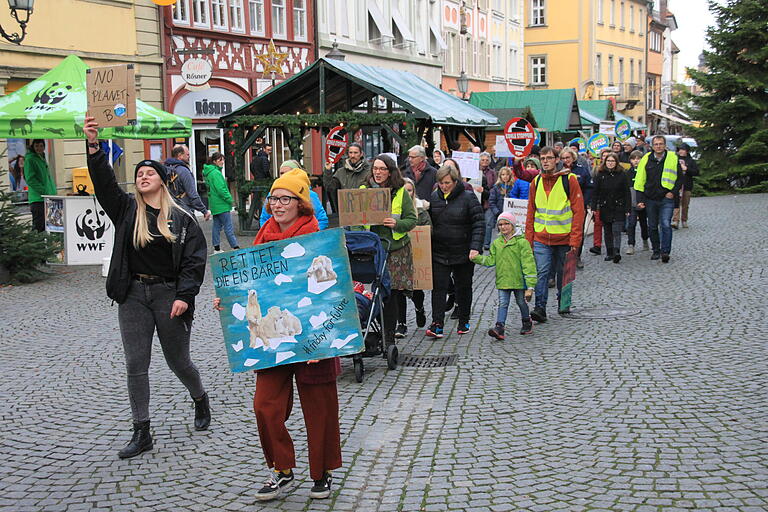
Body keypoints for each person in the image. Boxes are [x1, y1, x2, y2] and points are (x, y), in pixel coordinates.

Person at [83, 117, 210, 459]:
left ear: (162, 182)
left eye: (149, 172)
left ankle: (200, 397)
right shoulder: (126, 210)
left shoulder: (182, 218)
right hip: (134, 296)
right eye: (139, 172)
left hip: (170, 296)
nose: (142, 175)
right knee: (135, 363)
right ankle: (142, 431)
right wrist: (94, 146)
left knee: (178, 362)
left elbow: (194, 261)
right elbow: (104, 184)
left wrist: (185, 296)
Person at [215, 169, 341, 501]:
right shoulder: (260, 241)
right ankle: (282, 469)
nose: (279, 204)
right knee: (265, 405)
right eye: (274, 198)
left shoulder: (318, 239)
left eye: (287, 198)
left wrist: (324, 337)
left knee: (320, 408)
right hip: (273, 342)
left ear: (302, 204)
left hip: (313, 339)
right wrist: (227, 301)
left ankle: (322, 472)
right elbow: (247, 290)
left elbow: (331, 291)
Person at [525, 146, 585, 321]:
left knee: (563, 272)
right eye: (542, 158)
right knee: (542, 272)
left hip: (564, 236)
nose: (545, 161)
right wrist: (529, 239)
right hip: (541, 237)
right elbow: (531, 212)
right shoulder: (535, 182)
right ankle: (540, 308)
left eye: (549, 158)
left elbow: (578, 212)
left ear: (557, 159)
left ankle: (563, 302)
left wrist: (575, 239)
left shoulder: (570, 180)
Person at [364, 156, 418, 341]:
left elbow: (412, 220)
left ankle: (389, 336)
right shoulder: (363, 191)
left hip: (395, 249)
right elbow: (353, 220)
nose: (377, 172)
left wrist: (396, 223)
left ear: (390, 171)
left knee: (392, 293)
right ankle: (376, 330)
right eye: (375, 169)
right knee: (375, 291)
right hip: (371, 249)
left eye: (382, 169)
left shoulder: (401, 192)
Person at [427, 165, 484, 338]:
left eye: (447, 183)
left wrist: (475, 247)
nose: (443, 186)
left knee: (463, 287)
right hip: (439, 251)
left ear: (454, 181)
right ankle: (437, 323)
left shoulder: (468, 198)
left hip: (463, 251)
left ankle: (464, 319)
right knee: (438, 288)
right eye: (441, 183)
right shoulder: (434, 198)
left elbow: (479, 223)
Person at [471, 212, 537, 339]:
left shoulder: (522, 243)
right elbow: (491, 261)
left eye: (506, 223)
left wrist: (530, 286)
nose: (503, 227)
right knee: (503, 303)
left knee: (521, 302)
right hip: (503, 281)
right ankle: (499, 327)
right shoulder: (497, 243)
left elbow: (529, 264)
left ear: (512, 225)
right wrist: (477, 258)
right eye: (500, 224)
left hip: (518, 281)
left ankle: (526, 321)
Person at [635, 135, 683, 263]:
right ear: (652, 146)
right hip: (650, 198)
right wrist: (640, 199)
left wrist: (672, 192)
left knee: (666, 224)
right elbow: (640, 180)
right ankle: (656, 250)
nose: (658, 146)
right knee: (652, 226)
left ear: (665, 145)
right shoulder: (646, 159)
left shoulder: (672, 158)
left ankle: (665, 251)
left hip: (666, 198)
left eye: (661, 144)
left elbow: (679, 178)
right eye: (656, 144)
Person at [395, 178, 430, 334]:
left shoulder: (421, 211)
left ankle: (419, 308)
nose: (407, 193)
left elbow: (429, 230)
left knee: (416, 290)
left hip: (416, 255)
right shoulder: (395, 208)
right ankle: (401, 324)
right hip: (399, 254)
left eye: (409, 190)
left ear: (413, 191)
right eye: (404, 190)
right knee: (398, 290)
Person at [262, 160, 328, 229]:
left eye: (285, 199)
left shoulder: (310, 195)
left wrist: (310, 235)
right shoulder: (271, 194)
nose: (284, 176)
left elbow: (322, 219)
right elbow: (264, 219)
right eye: (281, 173)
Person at [591, 152, 631, 263]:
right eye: (608, 161)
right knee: (607, 230)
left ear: (616, 162)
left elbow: (627, 192)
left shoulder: (622, 174)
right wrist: (594, 206)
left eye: (612, 161)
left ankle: (616, 251)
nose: (610, 163)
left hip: (618, 205)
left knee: (617, 230)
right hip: (605, 206)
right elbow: (595, 192)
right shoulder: (600, 174)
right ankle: (609, 252)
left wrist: (628, 208)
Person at [561, 148, 593, 268]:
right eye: (563, 158)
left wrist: (583, 203)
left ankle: (577, 256)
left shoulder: (582, 170)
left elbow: (589, 187)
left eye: (568, 157)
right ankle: (564, 256)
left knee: (578, 232)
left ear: (573, 158)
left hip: (578, 207)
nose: (566, 160)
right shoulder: (559, 170)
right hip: (562, 208)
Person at [203, 152, 240, 253]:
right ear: (214, 161)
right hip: (222, 204)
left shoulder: (209, 172)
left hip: (215, 205)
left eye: (223, 160)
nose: (222, 162)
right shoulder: (216, 173)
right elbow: (221, 189)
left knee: (216, 226)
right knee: (228, 227)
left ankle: (217, 248)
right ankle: (235, 247)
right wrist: (230, 199)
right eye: (220, 160)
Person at [164, 145, 211, 220]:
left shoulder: (166, 169)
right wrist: (204, 211)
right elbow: (192, 194)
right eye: (187, 154)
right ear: (180, 156)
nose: (189, 157)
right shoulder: (183, 170)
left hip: (170, 208)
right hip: (185, 209)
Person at [322, 142, 370, 213]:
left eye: (355, 153)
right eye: (350, 153)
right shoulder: (340, 172)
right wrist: (328, 171)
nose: (353, 155)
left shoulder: (369, 171)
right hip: (345, 213)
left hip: (364, 213)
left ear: (361, 153)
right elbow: (329, 187)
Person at [24, 140, 56, 232]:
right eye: (37, 146)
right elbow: (30, 179)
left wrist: (51, 192)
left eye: (41, 146)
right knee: (38, 226)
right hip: (38, 199)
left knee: (48, 226)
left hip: (47, 197)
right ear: (33, 147)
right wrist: (44, 191)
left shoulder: (41, 157)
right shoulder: (30, 159)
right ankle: (36, 245)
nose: (39, 148)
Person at [625, 150, 650, 254]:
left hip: (642, 201)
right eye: (634, 159)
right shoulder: (627, 173)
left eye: (638, 158)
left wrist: (644, 201)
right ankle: (631, 244)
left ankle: (645, 241)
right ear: (630, 160)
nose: (636, 161)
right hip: (631, 202)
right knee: (631, 224)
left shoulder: (645, 171)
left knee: (644, 223)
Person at [672, 143, 699, 229]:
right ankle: (675, 220)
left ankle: (684, 220)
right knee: (676, 203)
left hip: (687, 184)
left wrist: (687, 169)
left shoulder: (691, 161)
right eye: (680, 150)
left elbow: (696, 172)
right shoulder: (674, 159)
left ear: (687, 151)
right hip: (677, 185)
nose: (681, 151)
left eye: (683, 150)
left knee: (685, 203)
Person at [476, 152, 498, 251]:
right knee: (479, 224)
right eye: (482, 160)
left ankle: (486, 243)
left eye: (486, 160)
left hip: (489, 201)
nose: (484, 162)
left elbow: (494, 186)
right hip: (477, 202)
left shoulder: (492, 172)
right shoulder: (474, 171)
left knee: (488, 223)